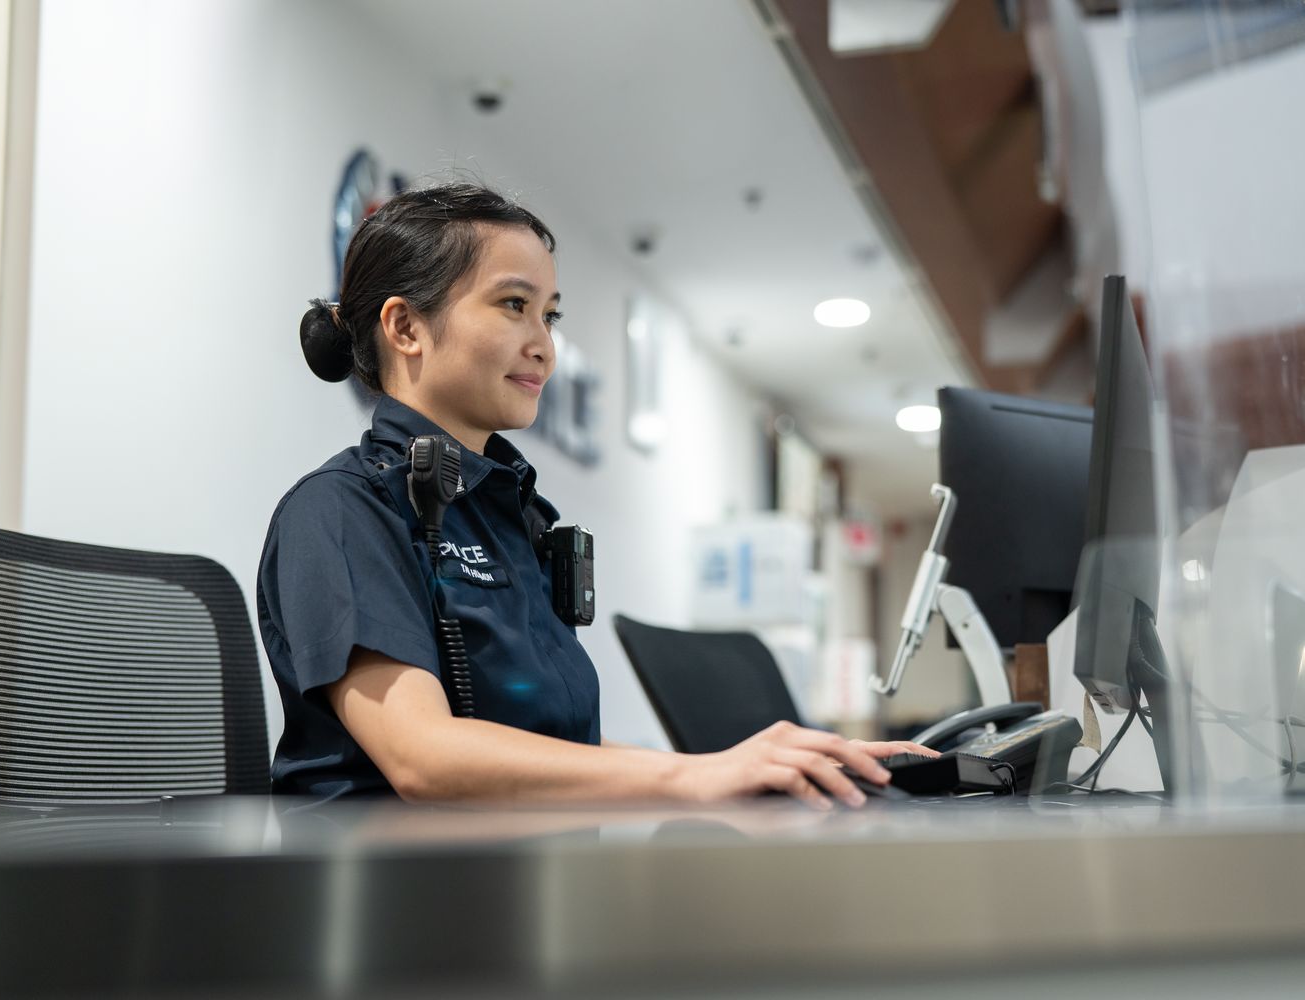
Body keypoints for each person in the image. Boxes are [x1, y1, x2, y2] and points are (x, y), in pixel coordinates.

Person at [258, 182, 932, 808]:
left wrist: (738, 767)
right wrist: (686, 776)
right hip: (400, 907)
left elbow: (553, 750)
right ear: (405, 328)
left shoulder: (509, 515)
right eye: (514, 306)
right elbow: (422, 756)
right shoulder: (340, 512)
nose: (544, 348)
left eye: (549, 316)